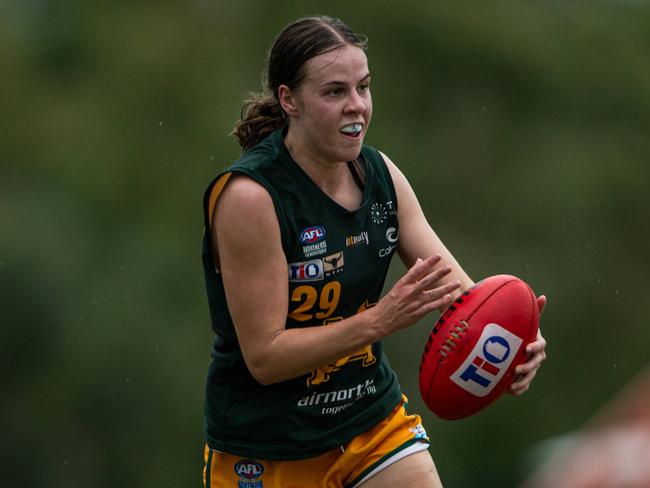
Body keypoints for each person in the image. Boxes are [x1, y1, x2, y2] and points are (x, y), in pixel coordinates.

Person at [200, 15, 547, 488]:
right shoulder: (252, 197)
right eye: (335, 92)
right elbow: (264, 357)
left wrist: (512, 342)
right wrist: (378, 321)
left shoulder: (381, 176)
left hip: (371, 424)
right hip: (267, 447)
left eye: (363, 88)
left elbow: (463, 299)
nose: (357, 107)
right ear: (289, 100)